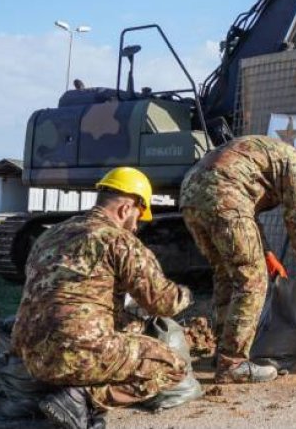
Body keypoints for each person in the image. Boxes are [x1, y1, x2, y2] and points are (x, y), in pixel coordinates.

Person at [13, 167, 194, 429]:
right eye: (138, 217)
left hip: (29, 355)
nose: (136, 226)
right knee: (172, 366)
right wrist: (186, 295)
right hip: (73, 354)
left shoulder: (49, 235)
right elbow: (162, 303)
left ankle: (55, 390)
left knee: (128, 327)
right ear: (125, 209)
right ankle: (81, 398)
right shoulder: (119, 241)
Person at [179, 136, 296, 383]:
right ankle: (234, 363)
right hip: (225, 196)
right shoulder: (295, 162)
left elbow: (248, 215)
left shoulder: (267, 155)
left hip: (190, 196)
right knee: (252, 280)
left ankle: (223, 351)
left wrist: (269, 256)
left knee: (227, 275)